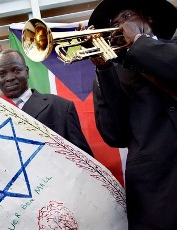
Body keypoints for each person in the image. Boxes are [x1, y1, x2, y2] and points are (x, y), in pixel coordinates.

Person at [88, 0, 177, 228]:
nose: (119, 26)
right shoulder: (111, 74)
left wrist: (138, 42)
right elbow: (114, 135)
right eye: (114, 23)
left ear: (148, 18)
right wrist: (104, 68)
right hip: (155, 193)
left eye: (126, 17)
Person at [0, 48, 93, 156]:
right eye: (2, 74)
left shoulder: (61, 107)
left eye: (16, 70)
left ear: (27, 72)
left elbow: (86, 162)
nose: (9, 78)